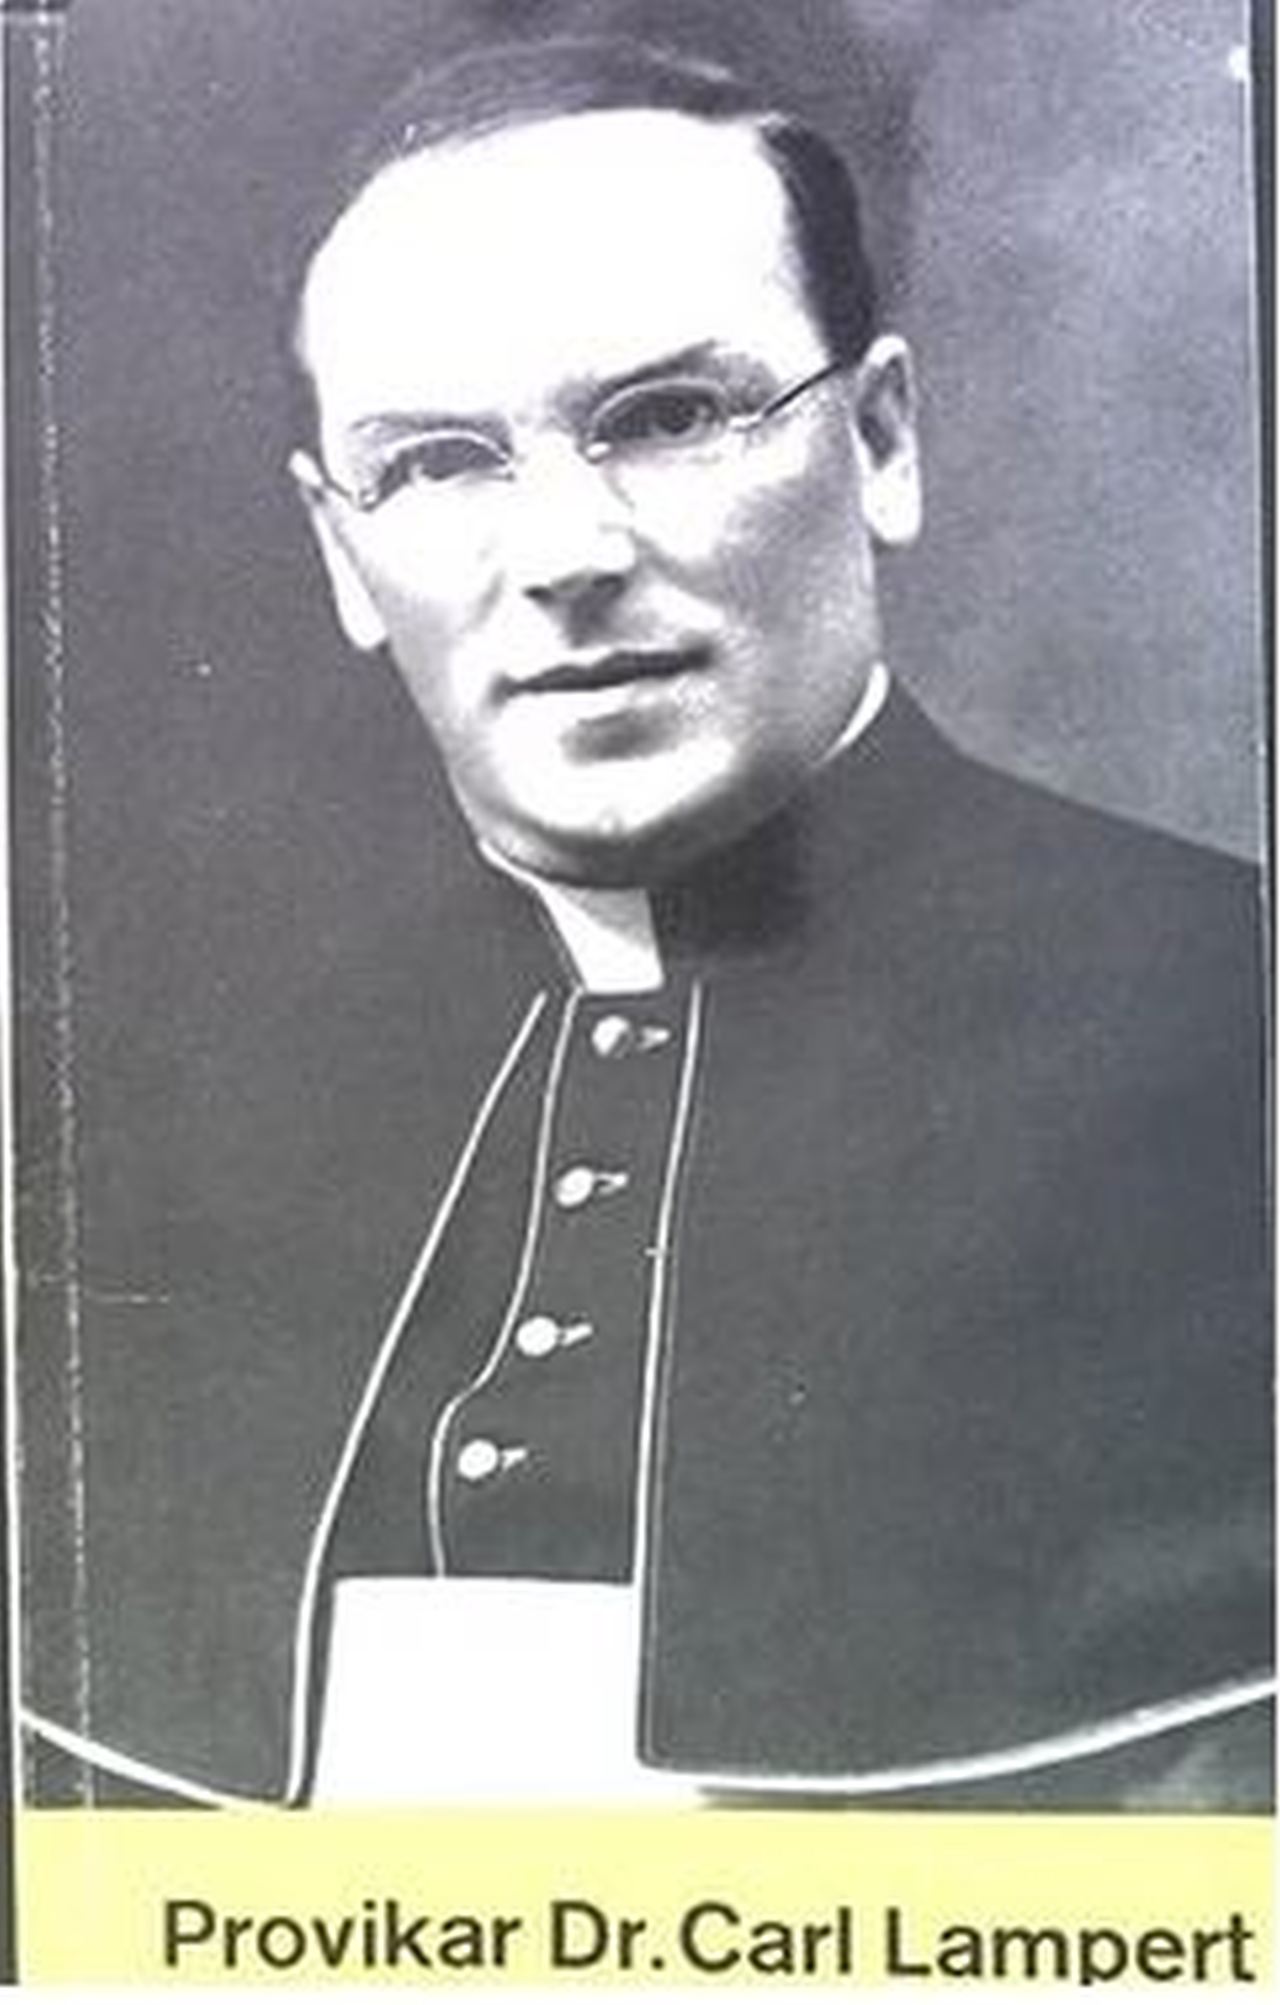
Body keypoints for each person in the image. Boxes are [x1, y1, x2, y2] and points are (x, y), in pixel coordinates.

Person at [19, 35, 1272, 1809]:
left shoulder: (1230, 1017)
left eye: (671, 415)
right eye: (437, 460)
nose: (566, 554)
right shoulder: (139, 1126)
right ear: (341, 553)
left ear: (883, 441)